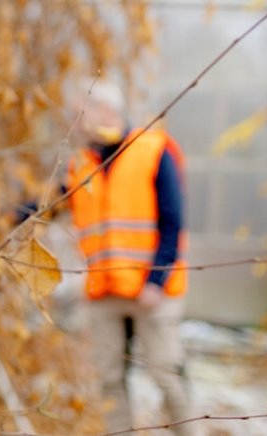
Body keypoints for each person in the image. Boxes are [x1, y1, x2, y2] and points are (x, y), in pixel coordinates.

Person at [63, 81, 195, 435]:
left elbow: (173, 223)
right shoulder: (81, 164)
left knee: (167, 375)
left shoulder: (153, 150)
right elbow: (47, 204)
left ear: (107, 111)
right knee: (109, 381)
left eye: (82, 114)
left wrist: (156, 280)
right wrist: (2, 219)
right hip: (105, 292)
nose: (77, 123)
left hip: (153, 292)